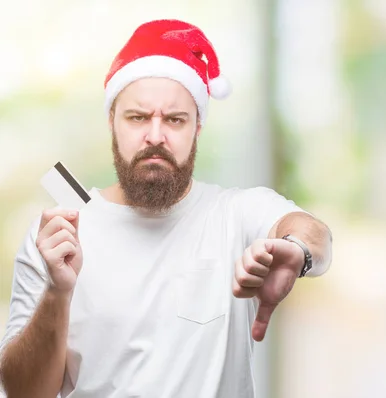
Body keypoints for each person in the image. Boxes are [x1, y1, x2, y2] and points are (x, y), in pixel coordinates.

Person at [0, 19, 332, 398]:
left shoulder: (235, 215)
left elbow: (314, 234)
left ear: (198, 128)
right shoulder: (57, 234)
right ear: (112, 122)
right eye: (138, 117)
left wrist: (299, 251)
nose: (155, 136)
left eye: (174, 120)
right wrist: (57, 294)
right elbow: (22, 392)